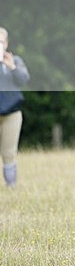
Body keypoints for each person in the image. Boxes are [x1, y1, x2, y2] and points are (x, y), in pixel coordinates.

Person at [0, 27, 30, 188]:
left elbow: (23, 79)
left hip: (11, 113)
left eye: (1, 41)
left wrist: (11, 67)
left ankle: (11, 185)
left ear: (6, 43)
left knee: (9, 153)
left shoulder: (15, 61)